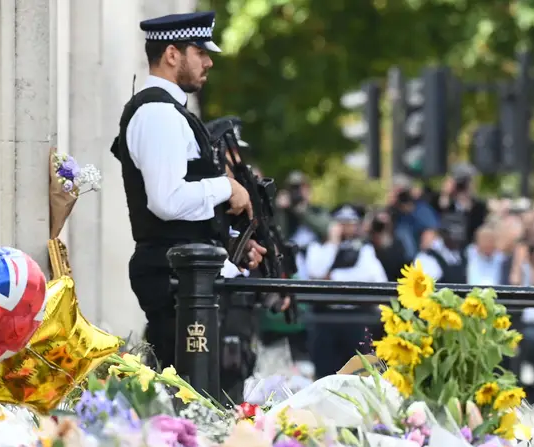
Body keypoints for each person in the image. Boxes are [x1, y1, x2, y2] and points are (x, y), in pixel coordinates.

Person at [111, 11, 266, 371]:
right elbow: (166, 201)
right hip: (175, 279)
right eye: (200, 52)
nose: (208, 61)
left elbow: (186, 209)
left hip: (187, 275)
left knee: (207, 393)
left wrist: (233, 247)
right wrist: (226, 186)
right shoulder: (158, 113)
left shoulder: (170, 112)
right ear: (172, 54)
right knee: (191, 395)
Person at [304, 205, 388, 376]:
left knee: (360, 374)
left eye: (350, 223)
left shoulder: (364, 248)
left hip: (356, 318)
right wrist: (332, 243)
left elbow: (373, 277)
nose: (346, 227)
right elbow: (316, 272)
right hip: (325, 318)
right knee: (325, 375)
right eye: (341, 223)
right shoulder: (318, 247)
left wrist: (332, 275)